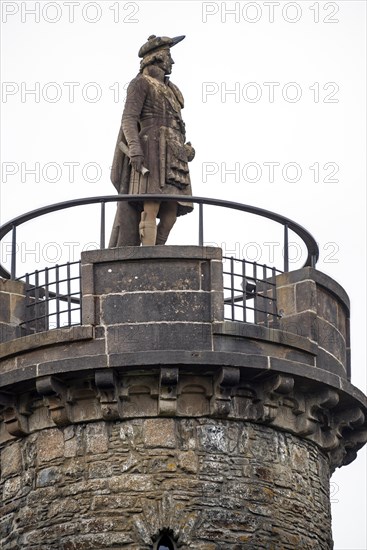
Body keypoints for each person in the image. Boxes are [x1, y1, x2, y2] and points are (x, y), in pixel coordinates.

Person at [109, 34, 195, 247]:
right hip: (151, 149)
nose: (172, 61)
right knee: (151, 205)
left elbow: (178, 126)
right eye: (168, 56)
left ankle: (157, 252)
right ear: (156, 57)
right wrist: (136, 149)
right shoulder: (141, 83)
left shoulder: (172, 92)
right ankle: (147, 253)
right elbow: (128, 119)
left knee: (170, 214)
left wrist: (185, 148)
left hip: (174, 153)